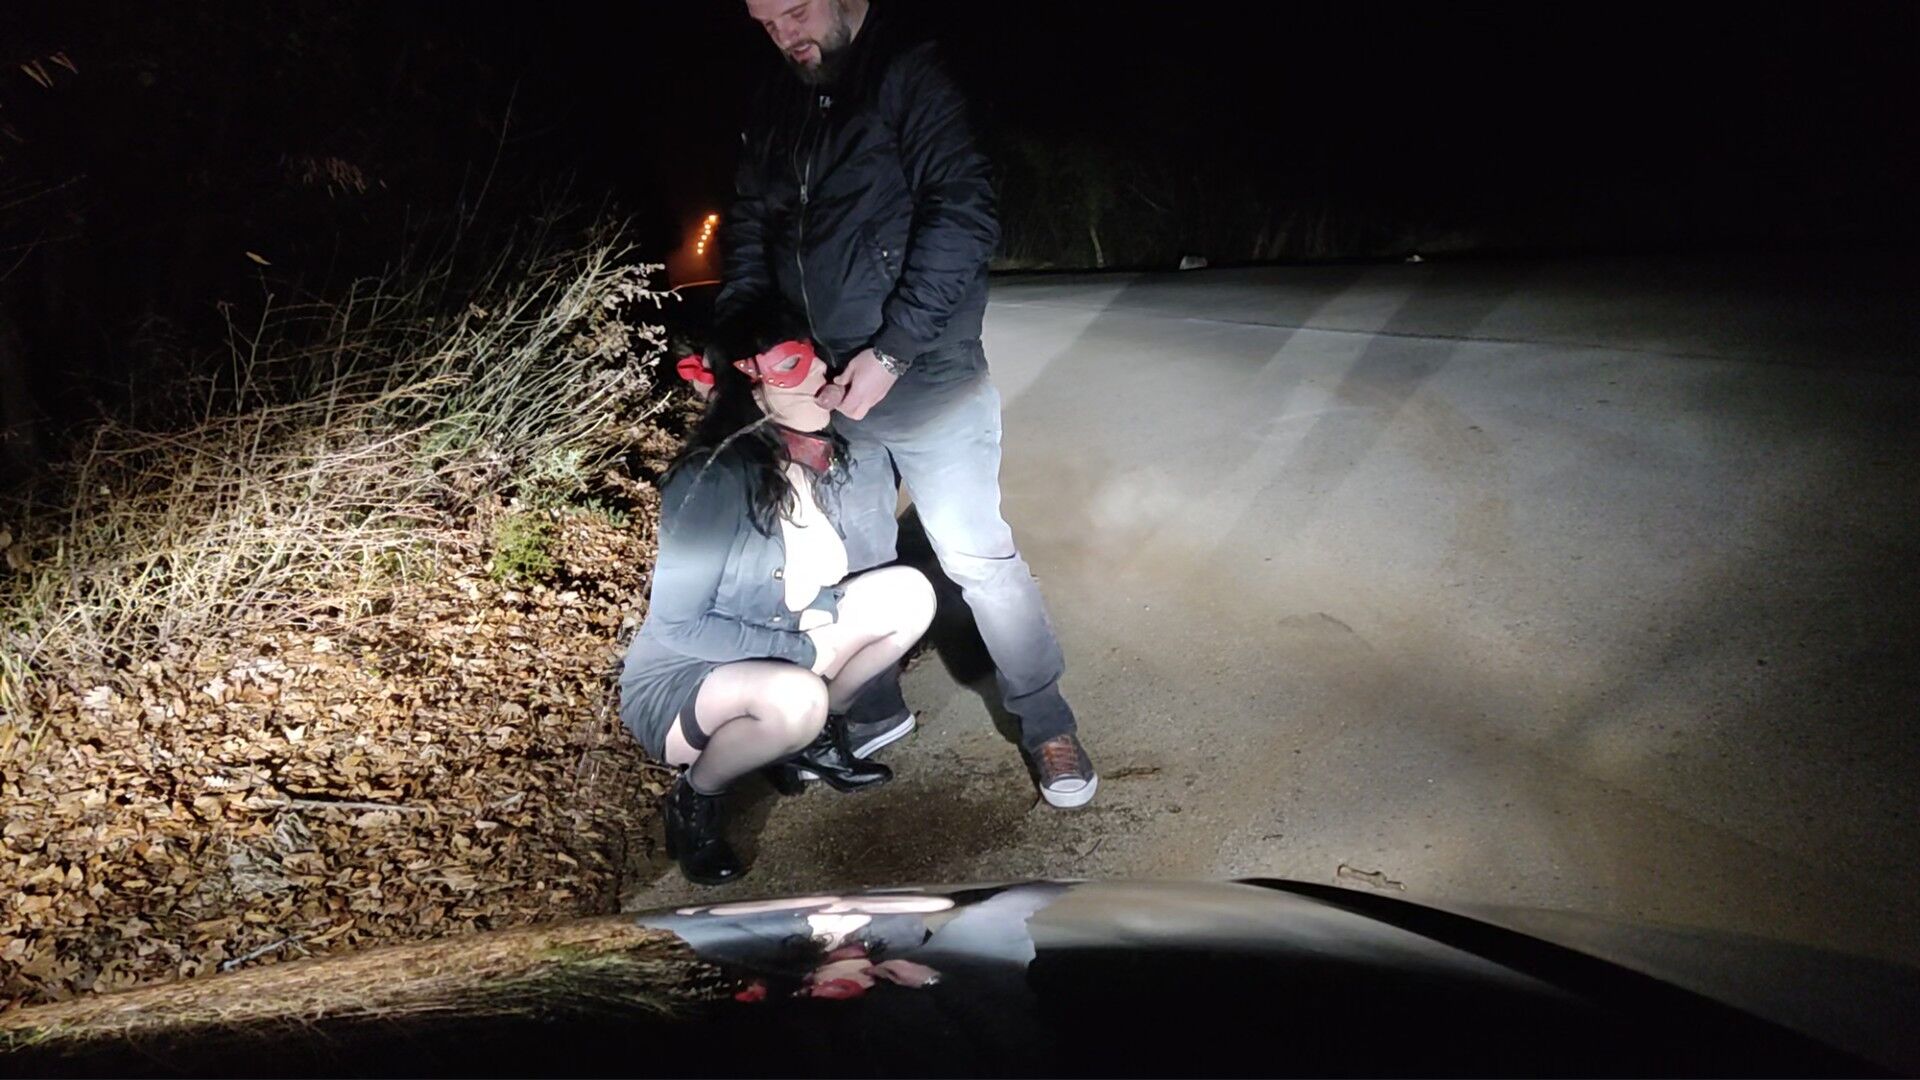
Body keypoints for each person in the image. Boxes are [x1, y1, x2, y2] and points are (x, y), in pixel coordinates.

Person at [719, 0, 1096, 807]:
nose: (785, 37)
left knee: (977, 560)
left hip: (925, 374)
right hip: (824, 386)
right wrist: (748, 334)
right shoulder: (778, 99)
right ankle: (875, 708)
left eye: (794, 13)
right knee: (855, 558)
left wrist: (892, 351)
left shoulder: (909, 73)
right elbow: (752, 229)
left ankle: (1046, 721)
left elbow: (962, 213)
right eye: (766, 25)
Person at [619, 309, 937, 885]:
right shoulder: (710, 480)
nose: (823, 373)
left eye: (817, 360)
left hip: (778, 639)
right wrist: (800, 649)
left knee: (911, 595)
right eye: (796, 365)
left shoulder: (803, 456)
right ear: (750, 387)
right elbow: (677, 626)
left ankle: (811, 739)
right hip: (688, 677)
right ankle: (695, 799)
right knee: (796, 699)